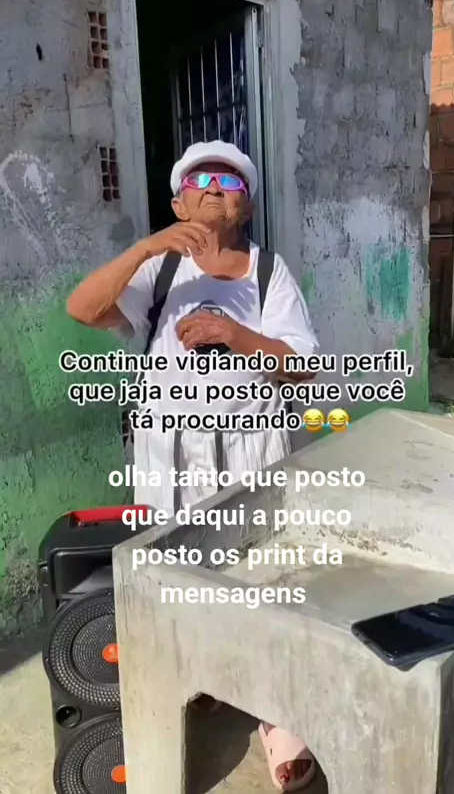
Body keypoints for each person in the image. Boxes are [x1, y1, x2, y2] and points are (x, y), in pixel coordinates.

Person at [67, 140, 319, 791]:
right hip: (170, 459)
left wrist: (236, 335)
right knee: (177, 578)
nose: (214, 188)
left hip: (251, 455)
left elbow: (303, 368)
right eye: (199, 180)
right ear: (179, 203)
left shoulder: (268, 273)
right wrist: (146, 248)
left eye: (230, 182)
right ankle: (201, 678)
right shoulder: (158, 271)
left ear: (247, 206)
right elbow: (82, 309)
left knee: (262, 577)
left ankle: (277, 712)